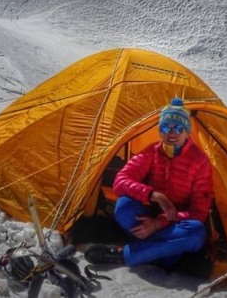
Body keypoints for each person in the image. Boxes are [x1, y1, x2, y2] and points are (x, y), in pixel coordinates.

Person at [84, 97, 213, 268]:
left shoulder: (200, 162)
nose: (171, 133)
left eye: (179, 128)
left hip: (176, 224)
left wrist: (159, 223)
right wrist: (155, 196)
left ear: (187, 132)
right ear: (160, 131)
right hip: (150, 215)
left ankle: (126, 254)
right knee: (124, 207)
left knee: (196, 233)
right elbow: (120, 181)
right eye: (166, 128)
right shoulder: (152, 152)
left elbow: (199, 213)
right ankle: (162, 252)